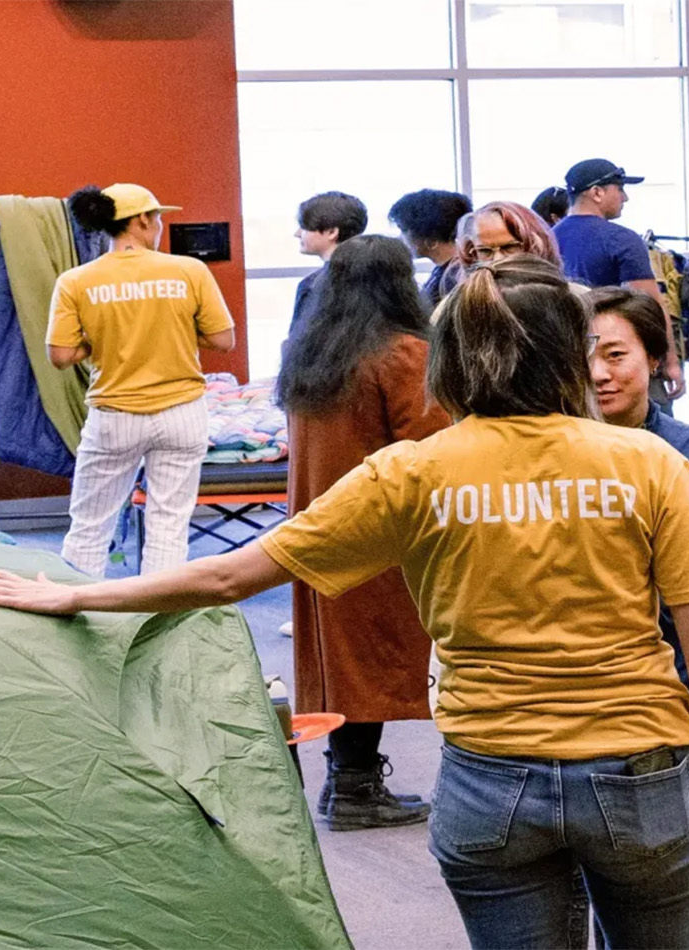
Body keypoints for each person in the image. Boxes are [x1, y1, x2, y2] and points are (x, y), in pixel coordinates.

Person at [0, 255, 689, 950]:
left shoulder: (412, 471)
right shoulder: (647, 463)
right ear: (566, 356)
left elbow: (227, 576)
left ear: (449, 360)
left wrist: (74, 593)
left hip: (490, 783)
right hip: (640, 772)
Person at [277, 235, 448, 830]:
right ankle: (355, 789)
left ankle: (346, 780)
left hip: (318, 525)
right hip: (380, 528)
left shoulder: (312, 355)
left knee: (339, 657)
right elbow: (435, 448)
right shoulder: (402, 354)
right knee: (378, 655)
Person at [47, 183, 236, 576]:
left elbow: (61, 356)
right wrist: (176, 331)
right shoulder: (188, 270)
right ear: (142, 220)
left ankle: (76, 617)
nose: (161, 225)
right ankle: (156, 622)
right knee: (169, 526)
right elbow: (223, 340)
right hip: (182, 414)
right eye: (159, 217)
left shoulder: (76, 280)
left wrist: (100, 341)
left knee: (89, 527)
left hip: (115, 416)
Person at [589, 286, 689, 667]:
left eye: (615, 356)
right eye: (583, 357)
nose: (598, 374)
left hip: (666, 671)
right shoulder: (546, 452)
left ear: (654, 358)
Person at [554, 159, 684, 397]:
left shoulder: (547, 239)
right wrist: (670, 360)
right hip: (617, 360)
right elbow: (650, 307)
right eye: (620, 188)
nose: (625, 198)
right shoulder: (621, 239)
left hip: (567, 364)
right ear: (597, 192)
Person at [289, 191, 367, 343]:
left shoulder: (313, 285)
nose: (297, 234)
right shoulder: (382, 275)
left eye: (304, 227)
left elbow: (300, 344)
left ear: (332, 232)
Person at [388, 189, 472, 309]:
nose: (400, 238)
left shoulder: (453, 282)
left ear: (431, 242)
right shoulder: (452, 270)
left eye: (404, 231)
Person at [454, 200, 561, 272]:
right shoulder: (460, 303)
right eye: (485, 251)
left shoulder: (569, 300)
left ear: (536, 247)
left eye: (510, 247)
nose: (497, 260)